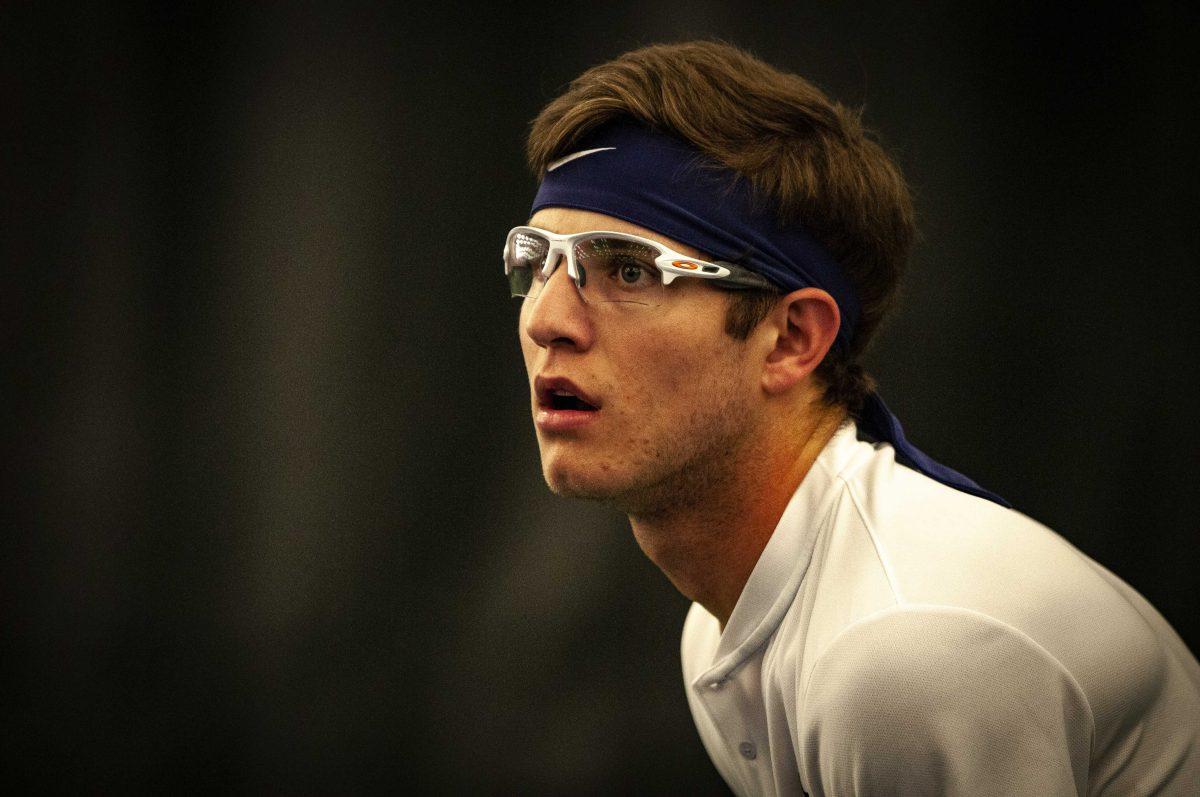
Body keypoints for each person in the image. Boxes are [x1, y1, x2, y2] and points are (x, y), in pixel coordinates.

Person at [504, 40, 1200, 796]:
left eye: (629, 269)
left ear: (793, 339)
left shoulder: (903, 653)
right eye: (536, 261)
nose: (546, 319)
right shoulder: (721, 632)